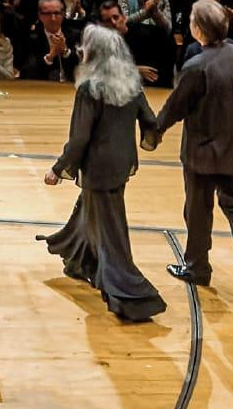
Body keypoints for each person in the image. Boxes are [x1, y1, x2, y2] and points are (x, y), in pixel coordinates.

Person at [143, 0, 233, 302]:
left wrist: (155, 132)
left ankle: (197, 268)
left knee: (198, 212)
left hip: (201, 152)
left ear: (199, 28)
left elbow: (175, 107)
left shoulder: (196, 65)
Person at [40, 23, 168, 323]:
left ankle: (134, 297)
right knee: (92, 210)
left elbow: (80, 138)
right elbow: (150, 122)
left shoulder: (90, 89)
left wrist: (58, 168)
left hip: (98, 165)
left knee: (110, 230)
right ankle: (80, 262)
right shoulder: (131, 83)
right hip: (122, 163)